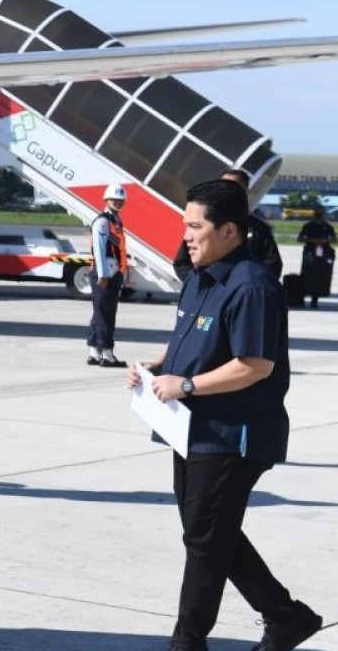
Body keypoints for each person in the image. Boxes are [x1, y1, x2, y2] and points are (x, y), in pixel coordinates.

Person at [126, 179, 322, 651]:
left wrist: (187, 384)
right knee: (208, 533)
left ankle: (188, 641)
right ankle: (286, 616)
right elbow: (190, 337)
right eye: (186, 225)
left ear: (229, 230)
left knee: (205, 539)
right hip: (191, 429)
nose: (186, 236)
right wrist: (159, 366)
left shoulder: (252, 286)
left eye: (195, 227)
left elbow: (255, 365)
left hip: (235, 433)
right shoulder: (200, 276)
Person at [172, 168, 282, 282]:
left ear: (246, 191)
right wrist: (198, 283)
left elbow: (273, 265)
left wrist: (249, 282)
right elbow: (182, 263)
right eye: (221, 186)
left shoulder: (259, 229)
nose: (224, 191)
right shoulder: (205, 223)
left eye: (232, 187)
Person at [87, 183, 128, 368]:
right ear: (106, 200)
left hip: (113, 272)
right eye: (114, 199)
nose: (118, 202)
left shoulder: (115, 220)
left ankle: (94, 351)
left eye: (120, 200)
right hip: (105, 274)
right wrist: (103, 275)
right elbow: (99, 249)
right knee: (106, 314)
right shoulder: (103, 222)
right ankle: (107, 353)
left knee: (100, 313)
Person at [296, 207, 335, 309]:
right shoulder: (308, 226)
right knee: (307, 275)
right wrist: (311, 240)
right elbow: (300, 238)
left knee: (320, 277)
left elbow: (334, 239)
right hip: (310, 253)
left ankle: (315, 299)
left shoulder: (328, 227)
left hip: (323, 253)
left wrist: (326, 241)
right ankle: (302, 297)